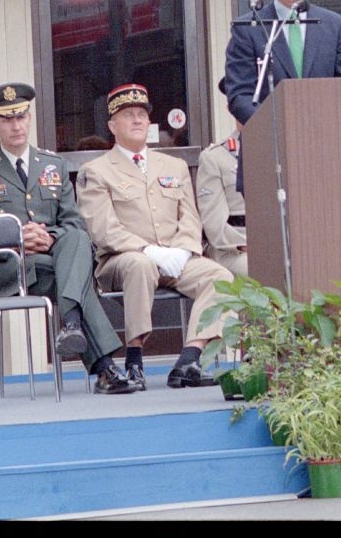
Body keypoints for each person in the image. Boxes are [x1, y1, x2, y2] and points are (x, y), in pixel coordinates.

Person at [0, 82, 135, 395]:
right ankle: (96, 354)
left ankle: (81, 336)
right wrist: (16, 239)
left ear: (29, 118)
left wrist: (48, 237)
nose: (16, 125)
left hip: (52, 261)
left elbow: (73, 223)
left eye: (21, 117)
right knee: (74, 278)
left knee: (76, 241)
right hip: (8, 270)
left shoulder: (54, 165)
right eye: (7, 119)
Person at [78, 83, 234, 390]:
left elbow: (189, 215)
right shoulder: (96, 170)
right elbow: (103, 228)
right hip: (122, 261)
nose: (137, 120)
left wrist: (185, 249)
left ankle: (189, 358)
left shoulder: (173, 165)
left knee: (221, 276)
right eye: (127, 115)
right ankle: (134, 359)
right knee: (140, 265)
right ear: (112, 125)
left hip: (175, 259)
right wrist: (149, 251)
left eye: (141, 115)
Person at [196, 95, 248, 277]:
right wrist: (245, 244)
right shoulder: (215, 157)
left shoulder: (281, 149)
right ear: (230, 108)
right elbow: (213, 223)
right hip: (234, 250)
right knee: (262, 270)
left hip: (277, 246)